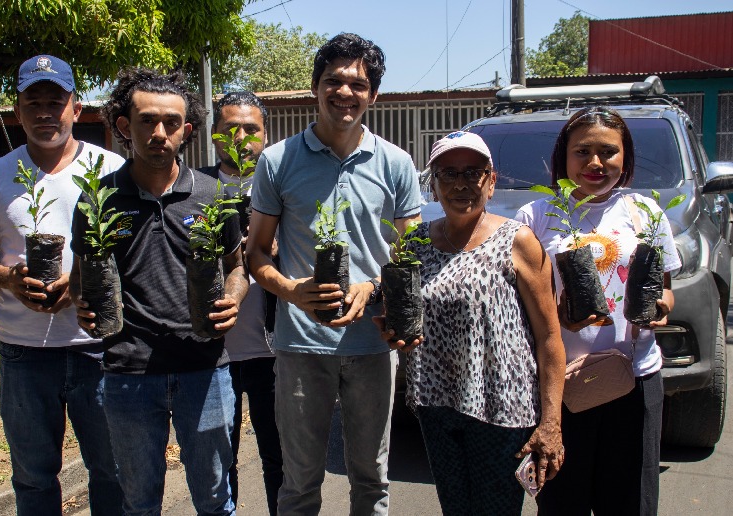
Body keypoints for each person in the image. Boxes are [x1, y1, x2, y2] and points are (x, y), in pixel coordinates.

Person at [246, 33, 422, 515]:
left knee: (372, 479)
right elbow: (257, 254)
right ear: (315, 87)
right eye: (333, 81)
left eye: (357, 83)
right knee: (299, 482)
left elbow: (411, 256)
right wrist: (291, 290)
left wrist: (374, 286)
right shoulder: (278, 161)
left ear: (373, 94)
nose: (344, 92)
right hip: (300, 345)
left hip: (371, 346)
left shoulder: (396, 164)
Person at [70, 68, 247, 515]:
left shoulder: (213, 194)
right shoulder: (98, 199)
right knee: (139, 501)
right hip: (128, 372)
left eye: (171, 122)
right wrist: (80, 303)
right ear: (125, 126)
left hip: (204, 368)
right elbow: (81, 275)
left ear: (186, 130)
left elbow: (237, 267)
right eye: (147, 120)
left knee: (214, 498)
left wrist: (234, 298)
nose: (159, 133)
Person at [0, 54, 124, 515]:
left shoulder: (109, 172)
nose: (46, 112)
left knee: (111, 472)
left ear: (76, 107)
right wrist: (9, 279)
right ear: (18, 110)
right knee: (32, 479)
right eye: (34, 102)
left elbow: (129, 255)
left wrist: (81, 283)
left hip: (97, 347)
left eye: (56, 101)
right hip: (23, 354)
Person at [377, 131, 566, 515]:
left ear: (491, 182)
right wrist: (392, 331)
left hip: (502, 409)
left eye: (473, 173)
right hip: (435, 404)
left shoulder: (518, 241)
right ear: (432, 185)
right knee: (456, 509)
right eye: (448, 173)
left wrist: (551, 423)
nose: (461, 184)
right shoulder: (414, 245)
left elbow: (549, 336)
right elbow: (403, 314)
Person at [515, 106, 679, 515]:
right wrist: (560, 313)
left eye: (608, 152)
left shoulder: (645, 212)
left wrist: (661, 307)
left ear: (625, 158)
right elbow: (523, 305)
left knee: (630, 501)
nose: (595, 163)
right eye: (582, 151)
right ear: (562, 158)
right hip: (562, 387)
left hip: (634, 376)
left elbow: (666, 289)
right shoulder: (536, 216)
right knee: (562, 501)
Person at [199, 91, 283, 515]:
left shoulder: (284, 187)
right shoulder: (194, 189)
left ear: (265, 135)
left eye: (251, 129)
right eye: (231, 128)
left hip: (274, 348)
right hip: (217, 351)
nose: (242, 138)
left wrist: (270, 247)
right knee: (219, 464)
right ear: (215, 135)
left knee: (279, 461)